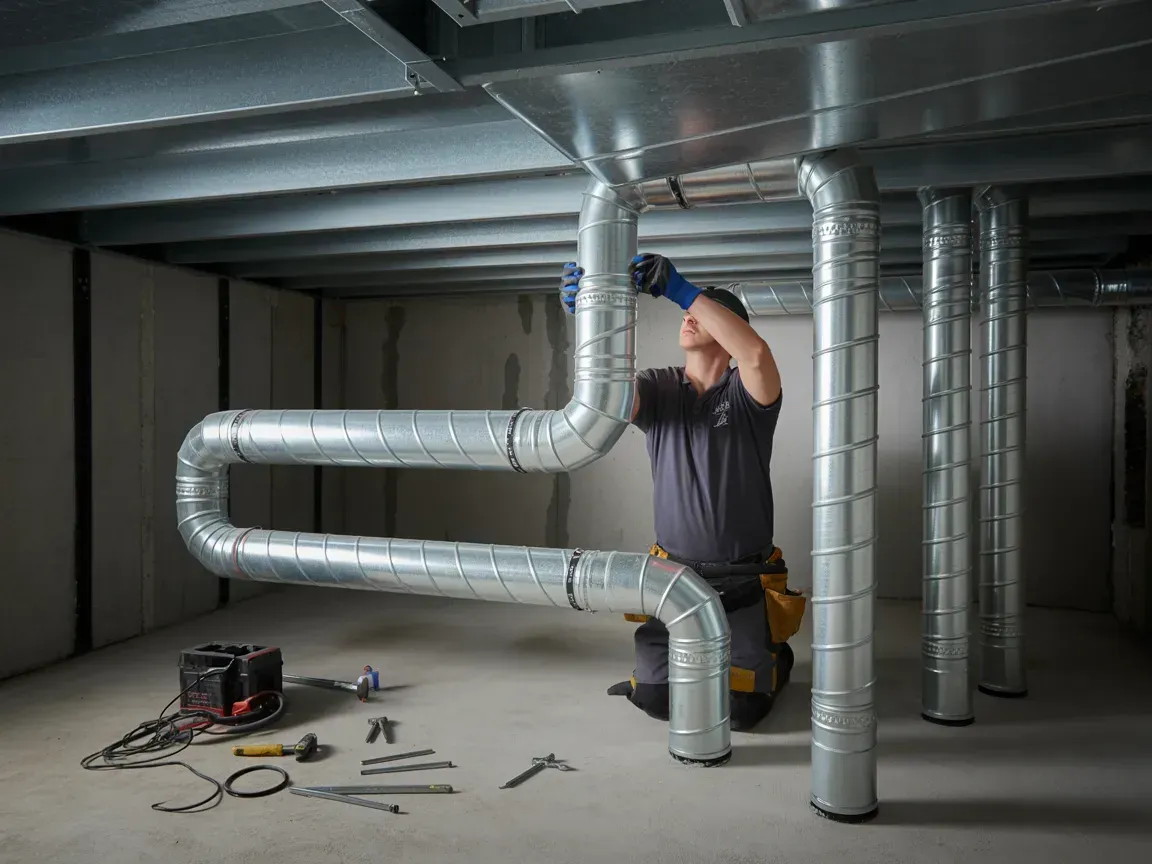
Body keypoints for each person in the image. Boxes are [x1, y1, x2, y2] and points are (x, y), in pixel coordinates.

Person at [559, 253, 806, 732]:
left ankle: (777, 656)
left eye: (704, 310)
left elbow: (755, 353)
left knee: (742, 712)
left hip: (743, 581)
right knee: (653, 699)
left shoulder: (750, 393)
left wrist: (683, 290)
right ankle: (686, 666)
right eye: (688, 310)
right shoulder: (658, 388)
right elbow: (605, 401)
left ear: (731, 331)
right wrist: (591, 320)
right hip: (674, 578)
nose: (689, 315)